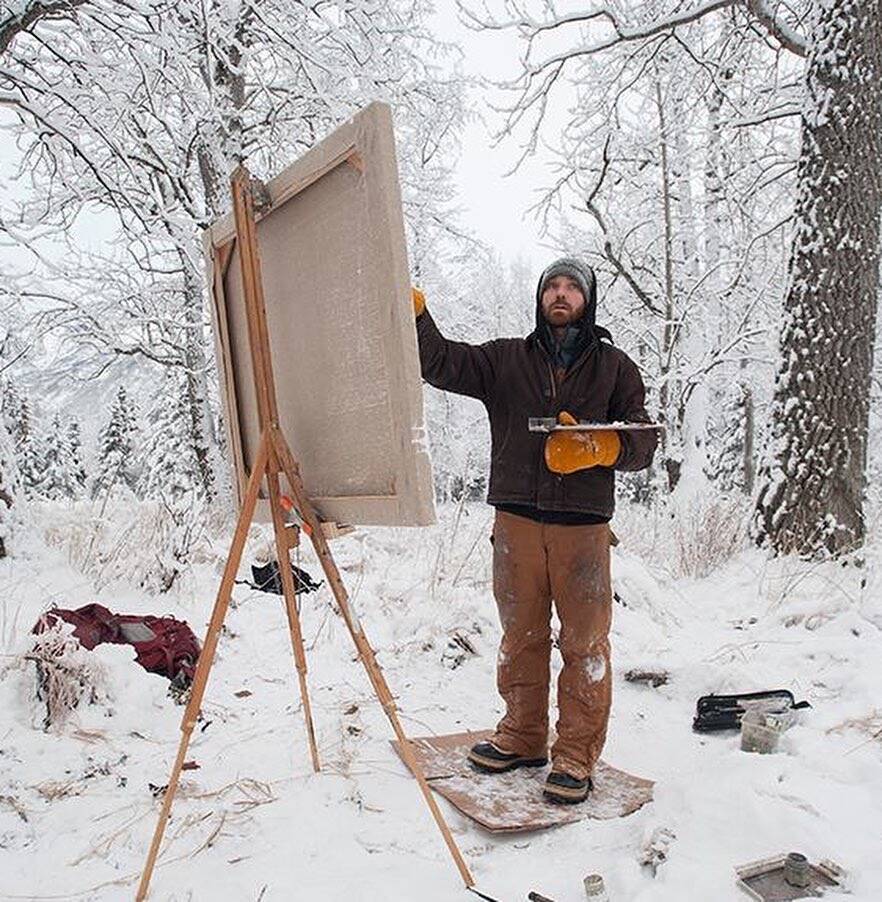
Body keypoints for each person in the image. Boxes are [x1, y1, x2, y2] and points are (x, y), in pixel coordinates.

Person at [413, 258, 657, 804]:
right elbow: (442, 363)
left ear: (588, 299)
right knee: (520, 635)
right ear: (540, 297)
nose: (561, 294)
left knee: (584, 643)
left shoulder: (615, 368)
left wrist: (604, 446)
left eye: (572, 287)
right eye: (553, 286)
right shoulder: (506, 360)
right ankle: (523, 736)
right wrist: (418, 318)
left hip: (583, 528)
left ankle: (574, 755)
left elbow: (644, 439)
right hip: (517, 522)